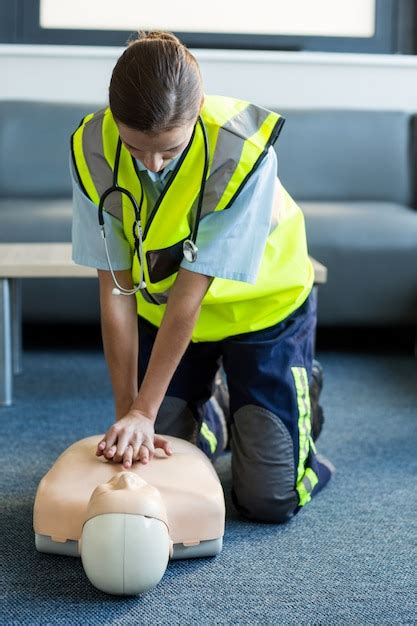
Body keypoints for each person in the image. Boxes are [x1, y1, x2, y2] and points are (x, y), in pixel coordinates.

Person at [70, 30, 333, 524]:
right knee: (159, 460)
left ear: (196, 114)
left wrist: (145, 414)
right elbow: (116, 293)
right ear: (114, 118)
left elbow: (190, 298)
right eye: (136, 148)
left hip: (263, 313)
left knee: (268, 500)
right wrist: (129, 413)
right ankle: (214, 409)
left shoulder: (242, 152)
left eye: (168, 151)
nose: (151, 165)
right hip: (163, 313)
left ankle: (298, 398)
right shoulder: (93, 147)